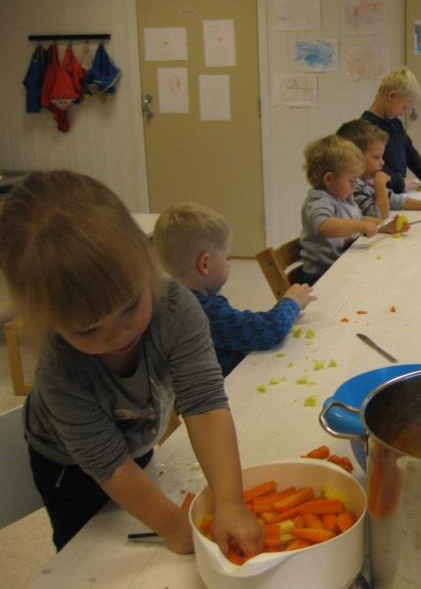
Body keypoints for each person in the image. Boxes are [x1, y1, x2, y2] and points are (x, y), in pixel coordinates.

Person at [0, 171, 263, 556]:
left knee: (142, 500)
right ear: (46, 319)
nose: (118, 334)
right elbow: (109, 465)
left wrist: (229, 503)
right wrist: (174, 527)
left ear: (146, 263)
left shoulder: (176, 307)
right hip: (68, 468)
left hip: (136, 432)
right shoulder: (60, 369)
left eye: (130, 306)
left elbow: (204, 405)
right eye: (88, 330)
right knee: (88, 554)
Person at [153, 202, 315, 377]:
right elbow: (270, 329)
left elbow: (241, 324)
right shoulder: (200, 311)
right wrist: (292, 302)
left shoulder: (176, 298)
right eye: (227, 258)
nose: (229, 264)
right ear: (205, 264)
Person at [297, 134, 407, 285]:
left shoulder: (344, 197)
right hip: (321, 276)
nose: (355, 185)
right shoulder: (318, 200)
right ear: (329, 179)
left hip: (342, 266)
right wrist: (361, 226)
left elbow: (359, 220)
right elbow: (324, 226)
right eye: (352, 180)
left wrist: (384, 226)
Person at [336, 119, 421, 218]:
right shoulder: (353, 187)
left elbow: (396, 200)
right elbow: (380, 217)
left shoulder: (367, 181)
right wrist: (380, 186)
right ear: (355, 156)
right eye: (376, 157)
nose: (382, 162)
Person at [362, 67, 421, 194]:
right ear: (392, 96)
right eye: (404, 107)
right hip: (381, 194)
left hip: (398, 191)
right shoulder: (366, 126)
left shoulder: (395, 123)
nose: (403, 113)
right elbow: (373, 168)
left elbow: (410, 152)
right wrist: (400, 182)